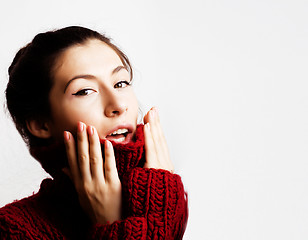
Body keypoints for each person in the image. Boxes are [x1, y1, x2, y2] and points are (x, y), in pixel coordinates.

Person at [0, 26, 188, 239]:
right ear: (41, 124)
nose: (117, 105)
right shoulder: (12, 230)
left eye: (121, 83)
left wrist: (158, 199)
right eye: (85, 91)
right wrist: (110, 222)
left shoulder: (165, 198)